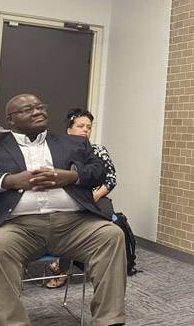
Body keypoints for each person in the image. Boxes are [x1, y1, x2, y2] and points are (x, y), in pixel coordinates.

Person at [0, 94, 126, 326]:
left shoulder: (73, 143)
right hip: (19, 227)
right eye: (27, 109)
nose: (37, 111)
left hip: (74, 224)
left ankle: (109, 321)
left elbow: (99, 171)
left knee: (111, 235)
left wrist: (72, 176)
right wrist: (10, 181)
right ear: (11, 120)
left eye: (40, 107)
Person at [45, 108, 119, 288]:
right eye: (80, 126)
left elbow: (111, 179)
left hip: (96, 197)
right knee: (67, 216)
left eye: (89, 127)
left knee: (98, 220)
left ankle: (97, 267)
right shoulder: (58, 151)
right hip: (69, 198)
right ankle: (61, 267)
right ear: (69, 130)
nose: (85, 129)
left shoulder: (98, 150)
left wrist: (92, 197)